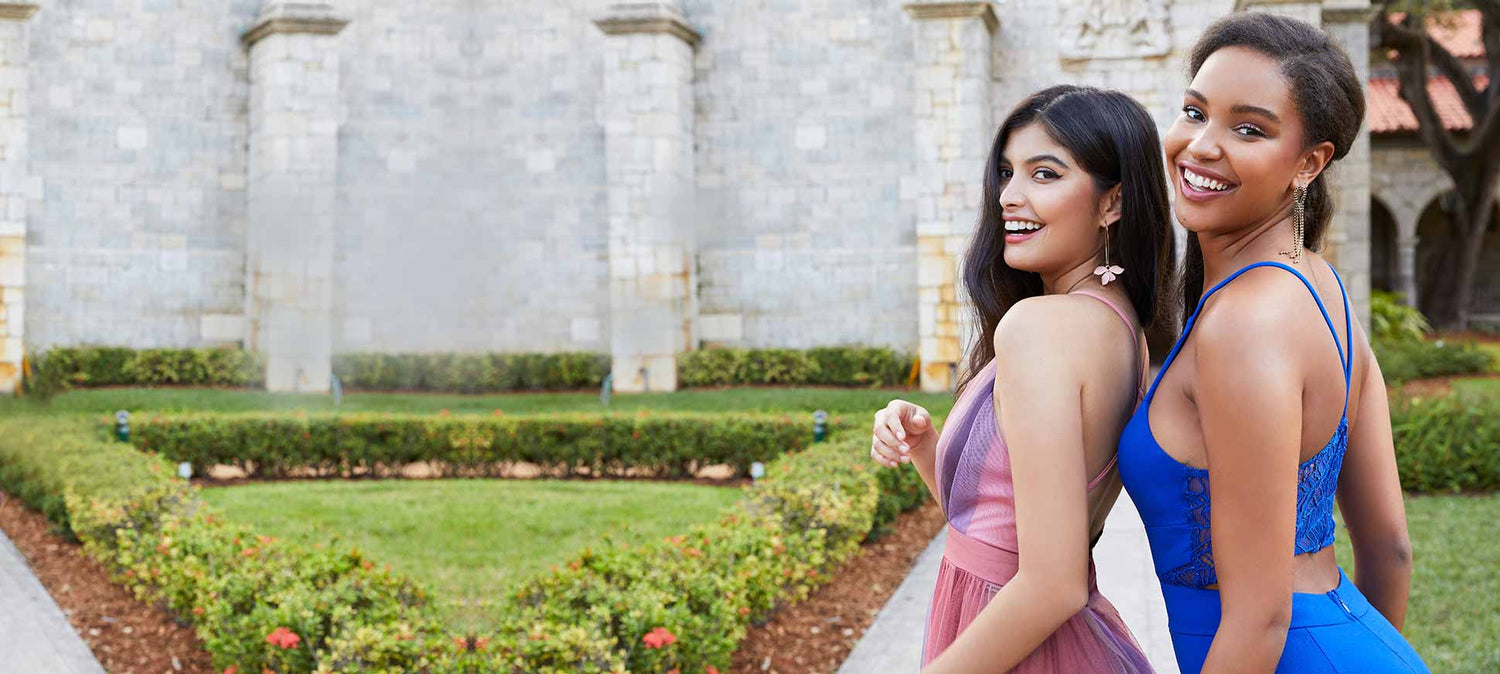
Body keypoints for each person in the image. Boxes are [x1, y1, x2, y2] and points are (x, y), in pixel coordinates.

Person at [1116, 13, 1430, 673]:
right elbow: (1390, 550)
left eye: (1248, 128)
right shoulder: (1321, 288)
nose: (1201, 145)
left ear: (1309, 163)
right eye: (1194, 111)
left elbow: (1258, 619)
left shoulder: (1245, 323)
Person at [871, 84, 1171, 672]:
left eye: (1045, 174)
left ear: (1112, 203)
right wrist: (930, 446)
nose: (1009, 195)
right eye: (1008, 172)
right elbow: (1001, 529)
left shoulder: (1040, 327)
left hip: (1020, 643)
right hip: (1038, 630)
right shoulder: (1121, 325)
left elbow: (1052, 584)